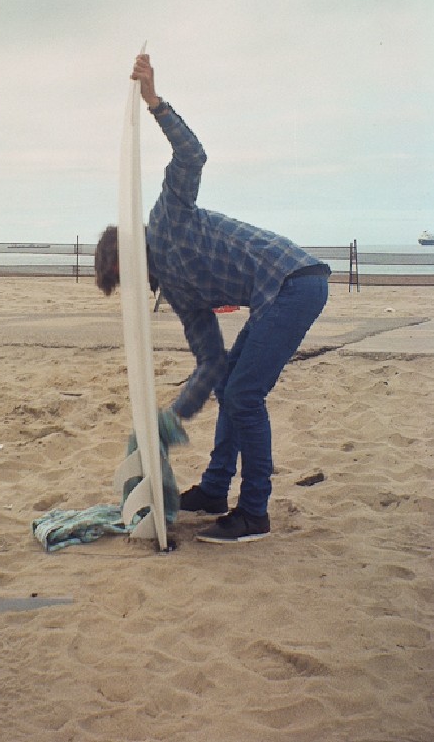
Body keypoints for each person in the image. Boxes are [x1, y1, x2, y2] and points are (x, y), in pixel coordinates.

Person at [95, 54, 330, 543]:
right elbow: (210, 362)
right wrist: (172, 417)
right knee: (227, 385)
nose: (133, 287)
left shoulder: (166, 218)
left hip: (293, 280)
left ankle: (254, 513)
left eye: (125, 275)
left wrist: (154, 103)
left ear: (132, 251)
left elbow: (192, 156)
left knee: (244, 395)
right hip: (272, 295)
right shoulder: (178, 294)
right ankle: (215, 490)